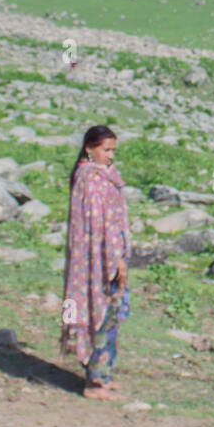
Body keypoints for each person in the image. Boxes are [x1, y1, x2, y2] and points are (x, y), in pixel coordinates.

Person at [60, 125, 131, 401]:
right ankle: (94, 382)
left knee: (110, 317)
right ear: (90, 149)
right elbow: (101, 227)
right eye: (106, 150)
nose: (111, 156)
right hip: (97, 262)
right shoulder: (90, 180)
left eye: (113, 150)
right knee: (98, 314)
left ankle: (104, 375)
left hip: (106, 257)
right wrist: (117, 262)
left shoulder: (103, 176)